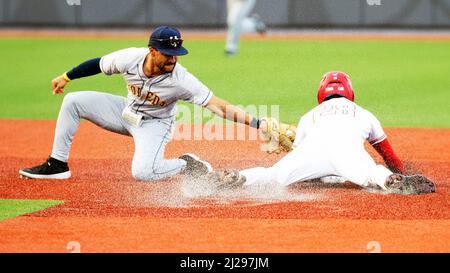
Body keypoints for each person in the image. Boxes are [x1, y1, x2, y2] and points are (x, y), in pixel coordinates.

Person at [19, 26, 267, 181]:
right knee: (73, 101)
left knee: (143, 173)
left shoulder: (182, 80)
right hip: (124, 112)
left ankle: (186, 164)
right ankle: (57, 164)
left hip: (155, 125)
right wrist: (66, 77)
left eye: (177, 54)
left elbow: (217, 105)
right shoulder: (130, 58)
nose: (173, 59)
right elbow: (98, 63)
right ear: (151, 50)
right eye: (168, 54)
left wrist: (258, 122)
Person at [209, 71, 436, 195]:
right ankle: (391, 180)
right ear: (350, 92)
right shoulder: (364, 113)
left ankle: (240, 177)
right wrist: (399, 170)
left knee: (275, 176)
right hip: (348, 154)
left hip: (311, 154)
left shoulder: (309, 116)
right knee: (370, 174)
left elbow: (300, 155)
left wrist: (319, 173)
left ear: (321, 93)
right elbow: (389, 156)